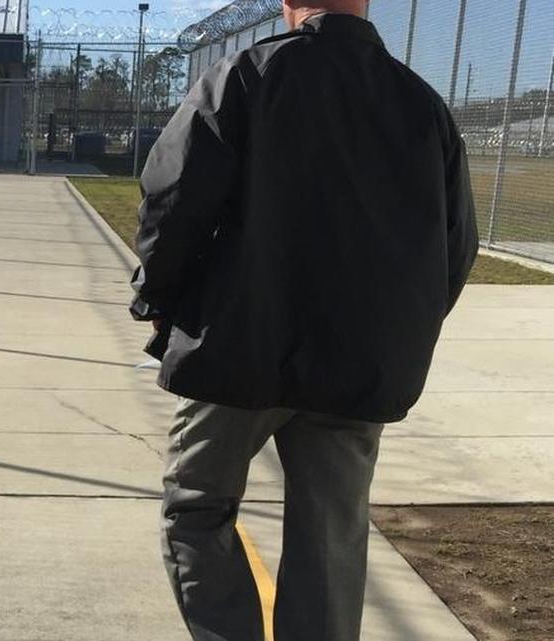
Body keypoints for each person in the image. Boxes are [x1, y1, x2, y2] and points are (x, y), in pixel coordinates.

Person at [132, 1, 478, 639]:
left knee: (197, 509)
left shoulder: (244, 77)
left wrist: (158, 300)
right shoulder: (421, 104)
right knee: (330, 535)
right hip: (356, 368)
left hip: (236, 350)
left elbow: (174, 199)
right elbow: (455, 249)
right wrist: (391, 332)